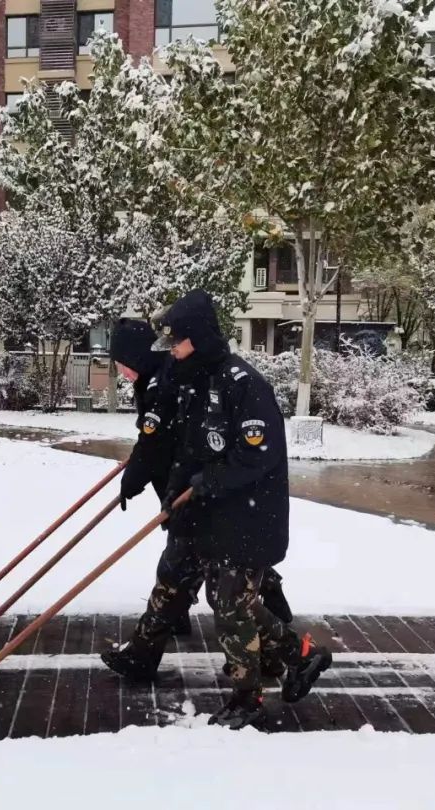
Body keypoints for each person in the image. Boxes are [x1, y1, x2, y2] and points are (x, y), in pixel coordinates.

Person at [102, 291, 332, 730]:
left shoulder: (243, 386)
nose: (173, 353)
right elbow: (186, 451)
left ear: (200, 338)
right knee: (228, 600)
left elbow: (254, 458)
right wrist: (174, 493)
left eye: (179, 343)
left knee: (228, 603)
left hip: (250, 516)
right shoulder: (198, 381)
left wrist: (204, 484)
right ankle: (299, 656)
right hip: (215, 513)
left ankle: (248, 698)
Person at [106, 317, 295, 649]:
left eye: (123, 364)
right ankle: (269, 635)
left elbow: (157, 441)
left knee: (204, 571)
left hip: (197, 488)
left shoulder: (165, 380)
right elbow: (154, 438)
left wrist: (137, 474)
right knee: (200, 568)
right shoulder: (160, 374)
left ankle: (282, 643)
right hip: (188, 483)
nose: (121, 372)